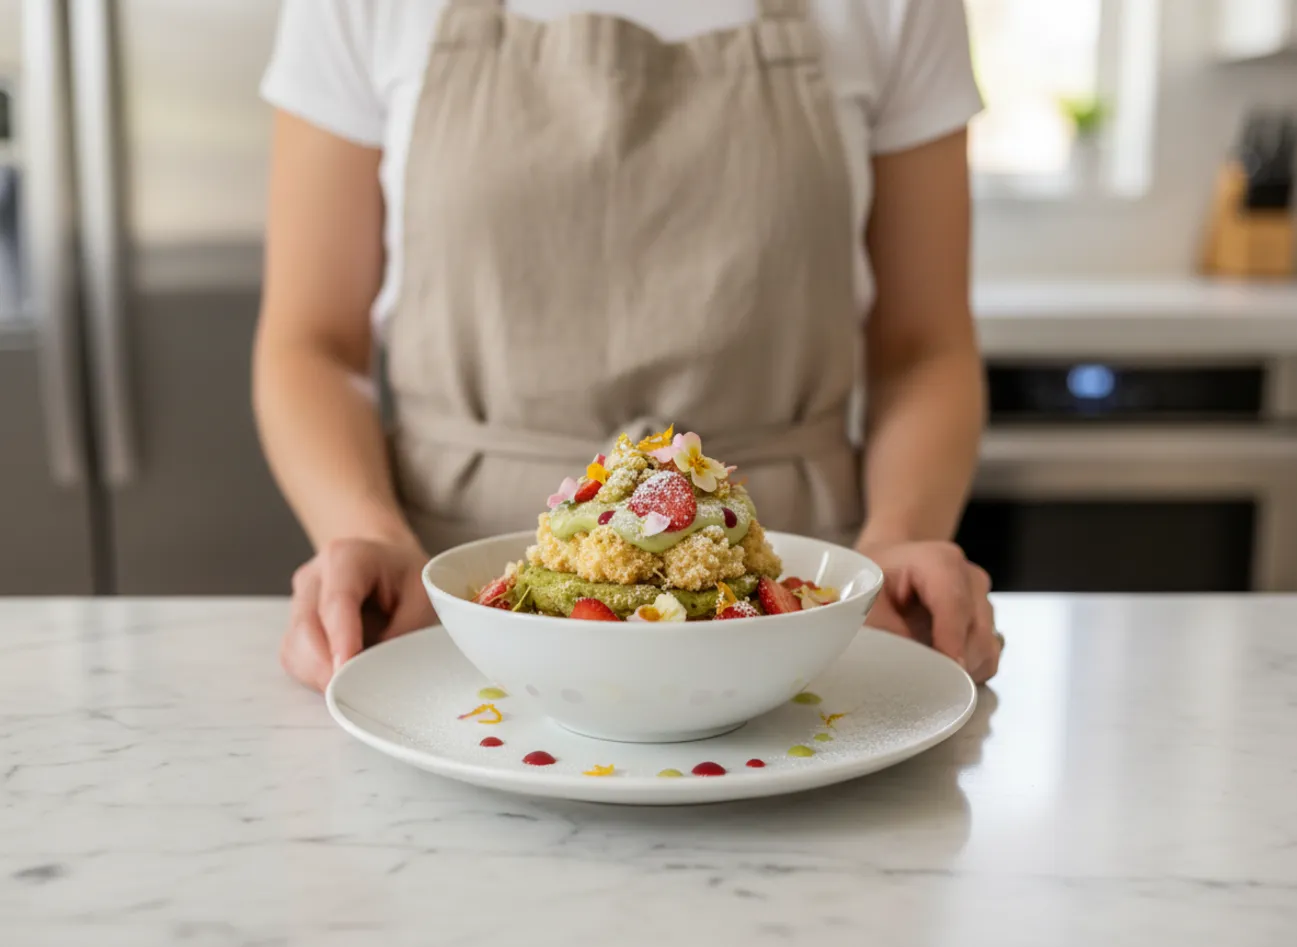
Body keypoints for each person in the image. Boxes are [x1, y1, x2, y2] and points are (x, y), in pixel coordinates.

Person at [255, 0, 1003, 693]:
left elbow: (921, 347)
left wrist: (897, 539)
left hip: (786, 611)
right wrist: (363, 530)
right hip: (440, 605)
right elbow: (313, 342)